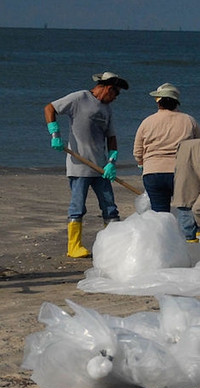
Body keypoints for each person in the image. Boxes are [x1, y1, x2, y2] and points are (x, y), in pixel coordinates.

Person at [44, 72, 129, 258]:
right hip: (79, 165)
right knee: (77, 206)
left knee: (110, 207)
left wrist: (112, 161)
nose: (115, 98)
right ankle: (74, 247)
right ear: (107, 88)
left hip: (101, 168)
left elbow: (111, 137)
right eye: (115, 93)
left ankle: (114, 245)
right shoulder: (79, 98)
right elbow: (50, 108)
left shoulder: (107, 109)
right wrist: (54, 134)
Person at [133, 83, 200, 213]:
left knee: (160, 214)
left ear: (158, 102)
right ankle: (187, 234)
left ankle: (162, 233)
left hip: (152, 172)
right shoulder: (189, 120)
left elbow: (138, 152)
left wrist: (142, 163)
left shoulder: (147, 121)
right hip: (181, 171)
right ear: (177, 103)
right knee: (186, 211)